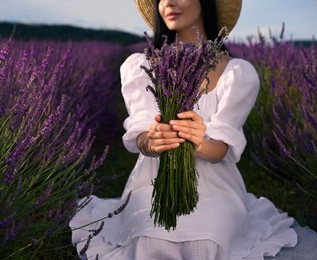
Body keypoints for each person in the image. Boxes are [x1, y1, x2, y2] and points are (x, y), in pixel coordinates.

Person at [70, 0, 298, 259]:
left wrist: (200, 142)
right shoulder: (140, 67)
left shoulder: (236, 72)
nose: (169, 2)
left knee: (205, 243)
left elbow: (220, 149)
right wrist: (151, 141)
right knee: (149, 241)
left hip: (215, 187)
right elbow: (142, 133)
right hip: (152, 182)